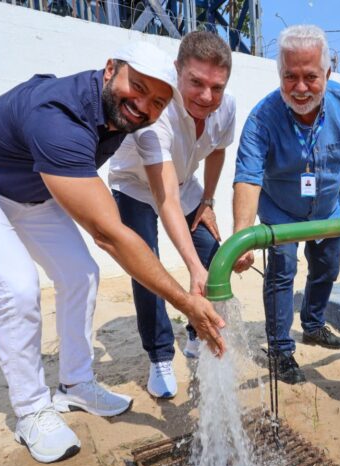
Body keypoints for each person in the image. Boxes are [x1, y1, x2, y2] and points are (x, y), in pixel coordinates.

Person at [0, 41, 225, 464]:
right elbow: (109, 233)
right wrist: (185, 302)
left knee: (81, 273)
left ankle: (75, 385)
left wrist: (194, 258)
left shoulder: (134, 120)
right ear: (110, 68)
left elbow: (165, 194)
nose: (142, 106)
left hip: (30, 186)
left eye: (157, 101)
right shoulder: (58, 117)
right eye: (137, 87)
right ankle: (31, 411)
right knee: (18, 288)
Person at [232, 25, 340, 384]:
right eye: (289, 76)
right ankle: (280, 349)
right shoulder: (262, 118)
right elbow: (248, 177)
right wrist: (242, 235)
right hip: (281, 210)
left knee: (326, 267)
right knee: (281, 273)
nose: (299, 88)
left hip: (329, 206)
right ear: (279, 74)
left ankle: (312, 324)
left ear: (328, 72)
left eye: (310, 76)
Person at [108, 32, 235, 398]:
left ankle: (198, 334)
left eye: (217, 87)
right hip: (135, 186)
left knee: (213, 252)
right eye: (196, 82)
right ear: (177, 71)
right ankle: (160, 355)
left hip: (184, 183)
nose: (206, 97)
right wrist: (191, 267)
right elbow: (164, 201)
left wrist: (208, 200)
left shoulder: (224, 107)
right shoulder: (157, 116)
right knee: (148, 267)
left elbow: (217, 150)